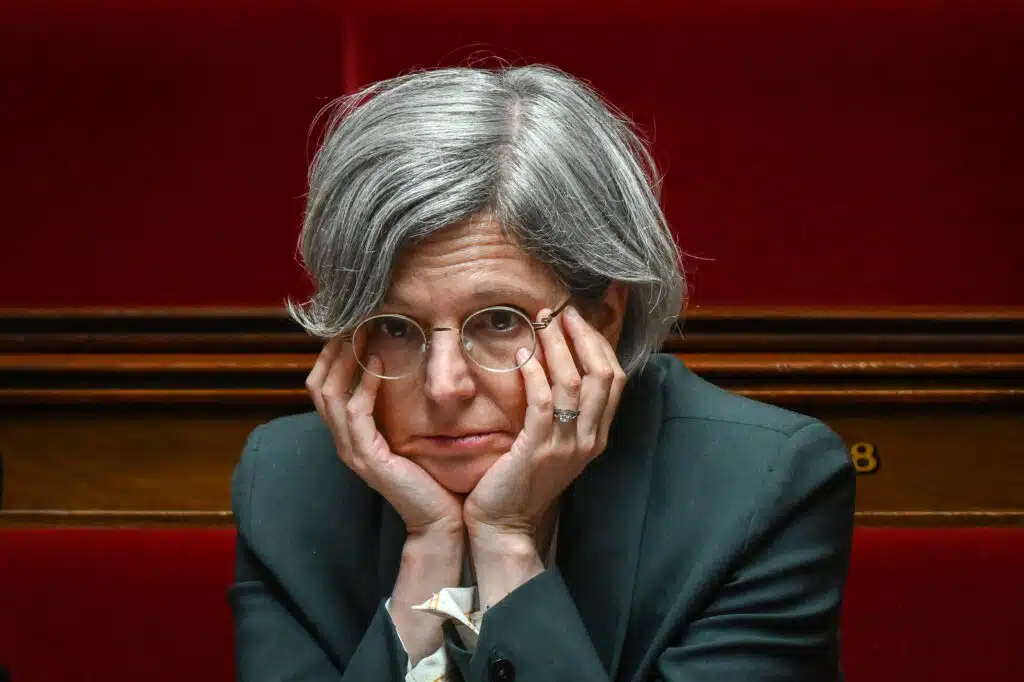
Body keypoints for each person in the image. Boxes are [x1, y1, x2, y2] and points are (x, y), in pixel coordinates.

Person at [229, 64, 855, 682]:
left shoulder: (760, 488)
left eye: (499, 321)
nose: (444, 386)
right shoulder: (286, 487)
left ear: (604, 316)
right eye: (396, 327)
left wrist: (506, 542)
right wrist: (428, 555)